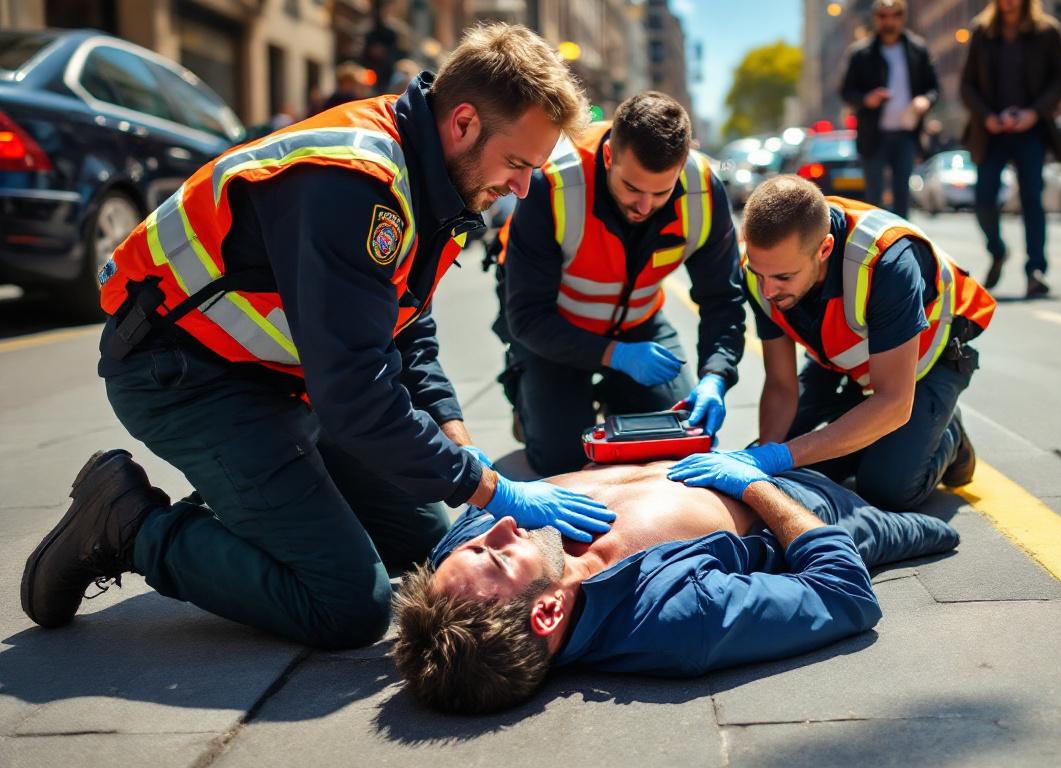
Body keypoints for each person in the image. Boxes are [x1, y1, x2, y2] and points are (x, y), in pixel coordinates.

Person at [20, 24, 616, 650]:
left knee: (425, 547)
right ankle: (125, 524)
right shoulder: (355, 182)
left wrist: (464, 451)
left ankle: (256, 502)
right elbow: (357, 395)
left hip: (282, 379)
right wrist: (491, 489)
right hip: (182, 377)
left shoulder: (438, 173)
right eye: (519, 164)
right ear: (464, 122)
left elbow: (407, 328)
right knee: (350, 605)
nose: (522, 188)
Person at [393, 453, 959, 713]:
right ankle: (943, 444)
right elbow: (845, 594)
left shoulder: (461, 559)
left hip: (678, 446)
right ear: (545, 614)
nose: (503, 525)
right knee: (928, 521)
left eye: (477, 542)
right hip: (802, 502)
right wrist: (757, 485)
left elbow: (478, 495)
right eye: (496, 554)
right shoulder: (679, 619)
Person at [690, 175, 995, 513]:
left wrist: (784, 454)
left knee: (886, 488)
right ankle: (870, 431)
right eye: (761, 275)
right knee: (790, 473)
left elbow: (893, 402)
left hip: (927, 365)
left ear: (824, 249)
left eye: (783, 278)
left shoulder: (888, 262)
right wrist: (765, 460)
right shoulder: (763, 266)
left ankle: (948, 434)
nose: (768, 291)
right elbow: (780, 385)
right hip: (844, 364)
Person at [499, 91, 746, 475]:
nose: (645, 207)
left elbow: (722, 299)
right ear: (610, 156)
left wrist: (716, 375)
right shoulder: (553, 181)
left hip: (639, 327)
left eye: (660, 192)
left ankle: (620, 396)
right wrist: (615, 356)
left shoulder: (703, 189)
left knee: (677, 443)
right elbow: (527, 317)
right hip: (555, 332)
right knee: (564, 460)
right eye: (632, 188)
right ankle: (532, 398)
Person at [959, 0, 1061, 299]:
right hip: (991, 132)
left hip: (1030, 129)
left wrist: (1034, 112)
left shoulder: (1047, 31)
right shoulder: (982, 31)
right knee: (983, 199)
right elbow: (966, 85)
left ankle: (1036, 270)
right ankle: (998, 250)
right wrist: (988, 117)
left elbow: (1060, 79)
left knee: (1032, 198)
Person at [839, 0, 939, 218]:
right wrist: (867, 99)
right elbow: (846, 92)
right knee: (874, 199)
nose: (888, 21)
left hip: (906, 134)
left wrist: (925, 101)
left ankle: (900, 247)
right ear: (876, 19)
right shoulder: (860, 53)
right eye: (883, 16)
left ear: (902, 17)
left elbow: (933, 88)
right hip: (873, 135)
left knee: (902, 196)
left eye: (894, 15)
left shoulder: (917, 49)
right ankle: (876, 249)